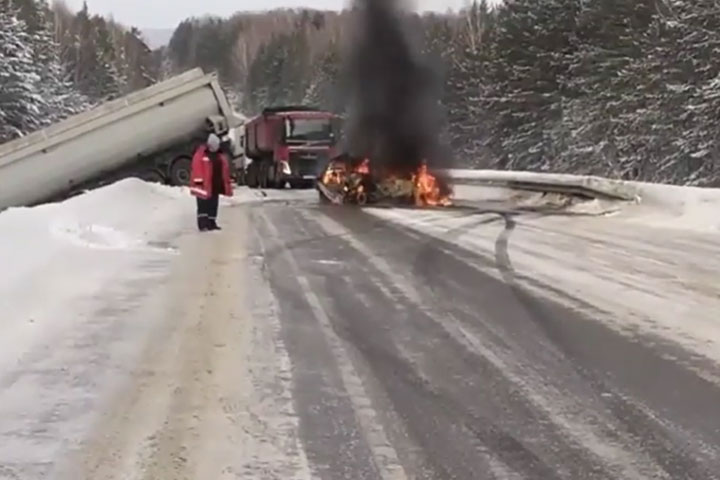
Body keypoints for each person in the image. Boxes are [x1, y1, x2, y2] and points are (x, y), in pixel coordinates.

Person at [190, 133, 233, 231]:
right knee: (203, 205)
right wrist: (199, 184)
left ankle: (211, 223)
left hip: (215, 185)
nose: (217, 147)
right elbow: (197, 170)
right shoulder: (200, 154)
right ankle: (203, 225)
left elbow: (224, 170)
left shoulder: (219, 155)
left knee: (213, 205)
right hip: (203, 186)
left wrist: (226, 183)